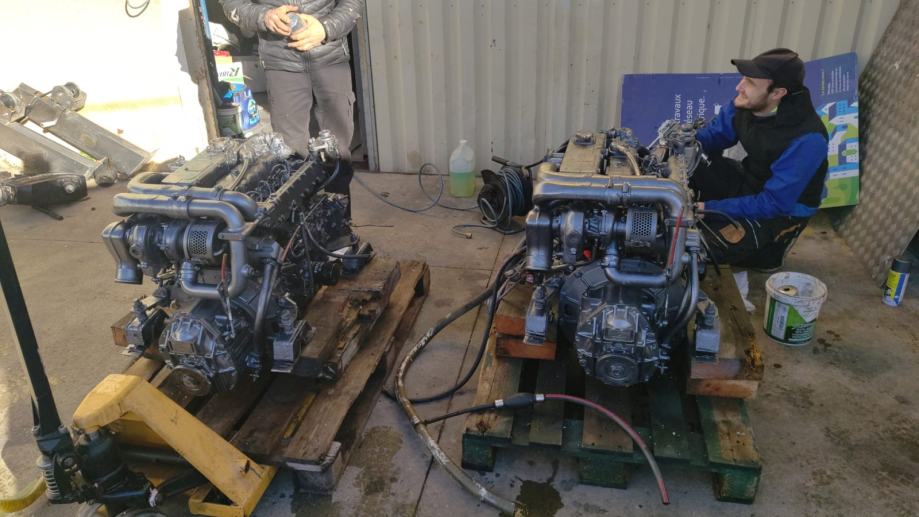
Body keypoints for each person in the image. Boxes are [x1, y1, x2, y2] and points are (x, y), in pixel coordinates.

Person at [220, 0, 364, 217]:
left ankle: (340, 225)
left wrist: (325, 28)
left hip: (330, 57)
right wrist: (263, 16)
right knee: (290, 155)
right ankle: (300, 227)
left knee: (337, 154)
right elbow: (233, 4)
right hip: (281, 64)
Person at [690, 48, 829, 270]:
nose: (739, 87)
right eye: (743, 79)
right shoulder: (748, 103)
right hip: (749, 180)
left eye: (750, 83)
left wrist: (706, 207)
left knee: (698, 248)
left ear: (777, 93)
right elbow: (712, 137)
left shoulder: (807, 139)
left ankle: (771, 250)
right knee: (693, 162)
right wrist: (681, 148)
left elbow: (774, 203)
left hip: (781, 211)